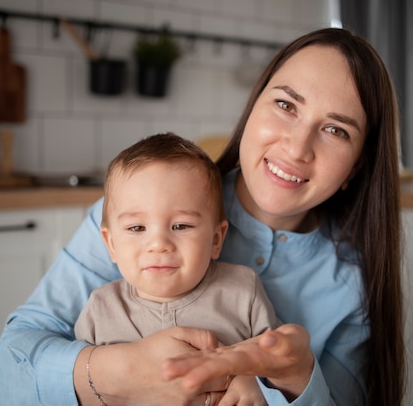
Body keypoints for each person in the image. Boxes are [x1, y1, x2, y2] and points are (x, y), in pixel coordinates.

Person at [0, 27, 405, 406]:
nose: (297, 148)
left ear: (357, 166)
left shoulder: (353, 284)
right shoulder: (142, 213)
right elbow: (7, 371)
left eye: (336, 130)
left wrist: (291, 384)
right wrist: (126, 372)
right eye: (285, 104)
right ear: (252, 108)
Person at [74, 132, 279, 406]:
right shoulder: (100, 310)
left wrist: (255, 383)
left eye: (181, 226)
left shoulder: (243, 290)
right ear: (111, 244)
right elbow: (81, 390)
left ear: (216, 240)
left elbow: (278, 362)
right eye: (137, 228)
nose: (158, 244)